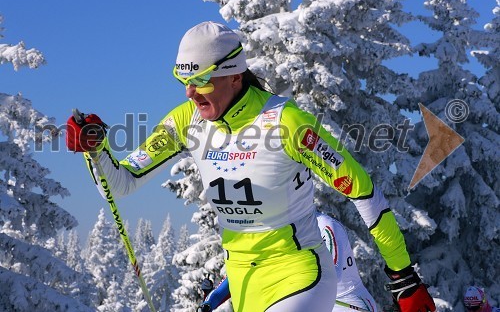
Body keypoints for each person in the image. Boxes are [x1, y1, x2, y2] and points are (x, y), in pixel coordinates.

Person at [66, 21, 435, 312]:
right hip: (243, 283)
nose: (189, 93)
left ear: (233, 75)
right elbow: (120, 184)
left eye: (199, 80)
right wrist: (96, 149)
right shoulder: (186, 121)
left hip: (299, 276)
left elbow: (363, 191)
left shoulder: (285, 122)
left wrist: (403, 278)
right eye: (183, 80)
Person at [198, 211, 378, 312]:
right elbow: (247, 271)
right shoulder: (276, 233)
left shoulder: (324, 225)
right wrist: (211, 301)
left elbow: (331, 277)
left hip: (347, 303)